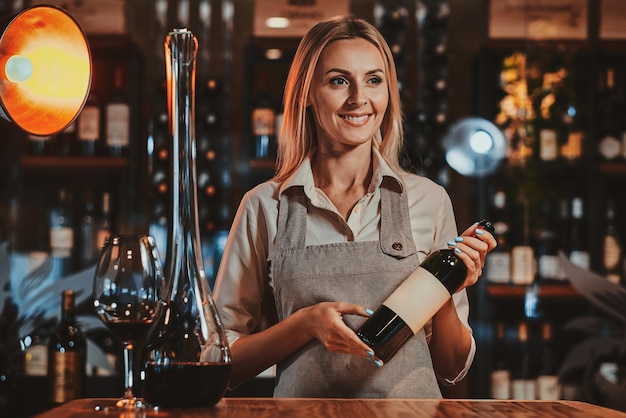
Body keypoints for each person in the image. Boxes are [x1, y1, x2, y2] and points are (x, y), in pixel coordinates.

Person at [213, 15, 496, 398]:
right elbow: (218, 363)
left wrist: (446, 289)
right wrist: (304, 325)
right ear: (308, 93)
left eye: (374, 80)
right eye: (339, 80)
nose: (359, 98)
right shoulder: (265, 205)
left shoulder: (428, 200)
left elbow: (451, 368)